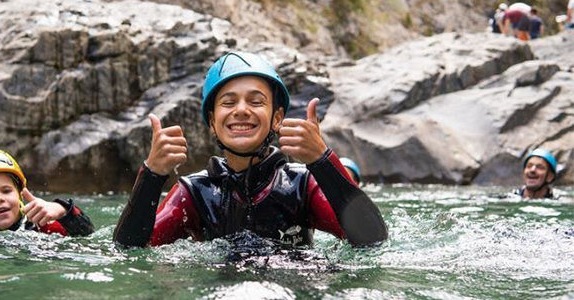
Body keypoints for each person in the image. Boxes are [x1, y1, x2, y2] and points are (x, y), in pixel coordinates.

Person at [113, 52, 387, 248]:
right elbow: (131, 251)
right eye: (228, 102)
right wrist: (152, 174)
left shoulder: (302, 184)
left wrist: (322, 160)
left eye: (256, 102)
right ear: (212, 122)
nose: (241, 110)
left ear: (277, 118)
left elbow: (372, 239)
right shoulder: (193, 193)